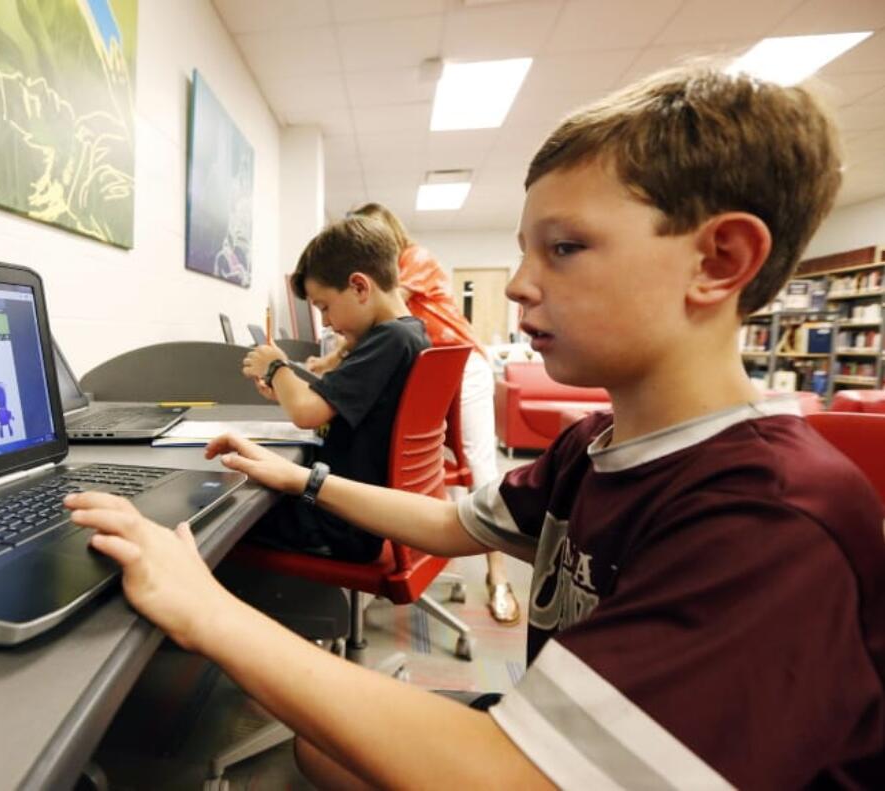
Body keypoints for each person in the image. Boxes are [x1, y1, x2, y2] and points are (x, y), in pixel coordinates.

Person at [66, 64, 885, 788]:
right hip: (576, 722)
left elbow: (515, 777)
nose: (522, 285)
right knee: (324, 755)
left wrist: (208, 612)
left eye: (564, 248)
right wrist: (300, 476)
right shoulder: (594, 446)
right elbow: (453, 522)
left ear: (720, 261)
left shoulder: (770, 516)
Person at [349, 201, 522, 625]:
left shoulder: (415, 260)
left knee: (479, 463)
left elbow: (382, 306)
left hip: (461, 368)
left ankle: (499, 576)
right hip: (422, 372)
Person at [239, 215, 429, 562]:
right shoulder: (411, 333)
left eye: (325, 307)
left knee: (225, 513)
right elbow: (336, 406)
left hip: (338, 523)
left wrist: (277, 366)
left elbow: (307, 414)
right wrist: (283, 388)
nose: (325, 321)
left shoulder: (389, 338)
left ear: (359, 287)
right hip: (356, 514)